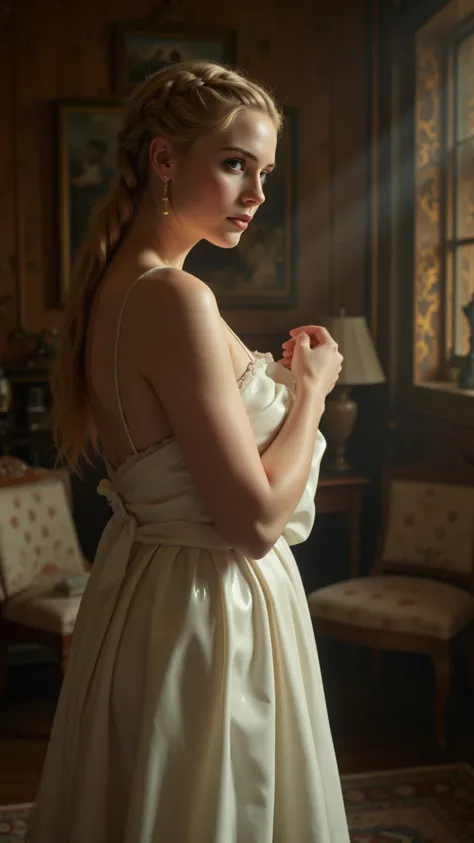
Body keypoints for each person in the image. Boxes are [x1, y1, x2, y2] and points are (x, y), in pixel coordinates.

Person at [27, 60, 348, 842]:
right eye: (235, 163)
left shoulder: (122, 282)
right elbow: (255, 523)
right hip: (214, 607)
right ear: (165, 158)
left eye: (265, 170)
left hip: (154, 596)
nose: (257, 194)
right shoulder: (174, 297)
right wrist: (310, 391)